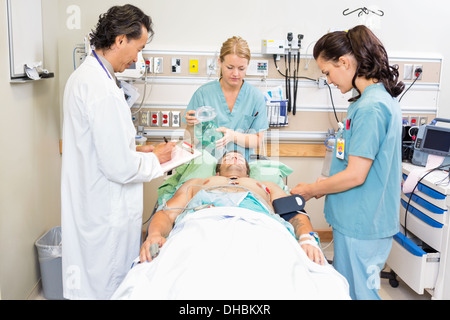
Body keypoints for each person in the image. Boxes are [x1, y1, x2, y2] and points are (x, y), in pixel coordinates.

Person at [61, 4, 175, 300]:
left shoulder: (91, 78)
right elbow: (118, 167)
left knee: (95, 281)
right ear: (121, 39)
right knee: (107, 285)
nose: (138, 58)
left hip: (96, 202)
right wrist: (156, 159)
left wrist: (136, 149)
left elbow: (100, 146)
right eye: (138, 48)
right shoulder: (99, 89)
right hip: (105, 211)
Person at [290, 25, 404, 300]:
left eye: (328, 72)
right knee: (349, 291)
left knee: (361, 294)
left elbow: (355, 175)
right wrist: (325, 183)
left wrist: (313, 190)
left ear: (344, 62)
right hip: (358, 218)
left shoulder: (371, 107)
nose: (328, 80)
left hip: (362, 222)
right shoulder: (369, 101)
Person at [140, 151, 325, 265]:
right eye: (228, 157)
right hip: (202, 223)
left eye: (239, 158)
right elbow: (166, 213)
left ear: (248, 171)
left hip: (259, 225)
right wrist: (155, 234)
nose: (234, 157)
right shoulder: (198, 182)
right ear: (218, 171)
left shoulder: (265, 185)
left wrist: (306, 238)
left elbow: (294, 214)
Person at [183, 36, 268, 161]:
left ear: (247, 66)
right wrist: (191, 125)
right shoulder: (203, 94)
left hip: (241, 167)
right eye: (230, 67)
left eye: (241, 68)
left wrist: (233, 136)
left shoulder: (255, 97)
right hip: (208, 166)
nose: (235, 73)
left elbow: (257, 140)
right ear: (220, 62)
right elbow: (189, 138)